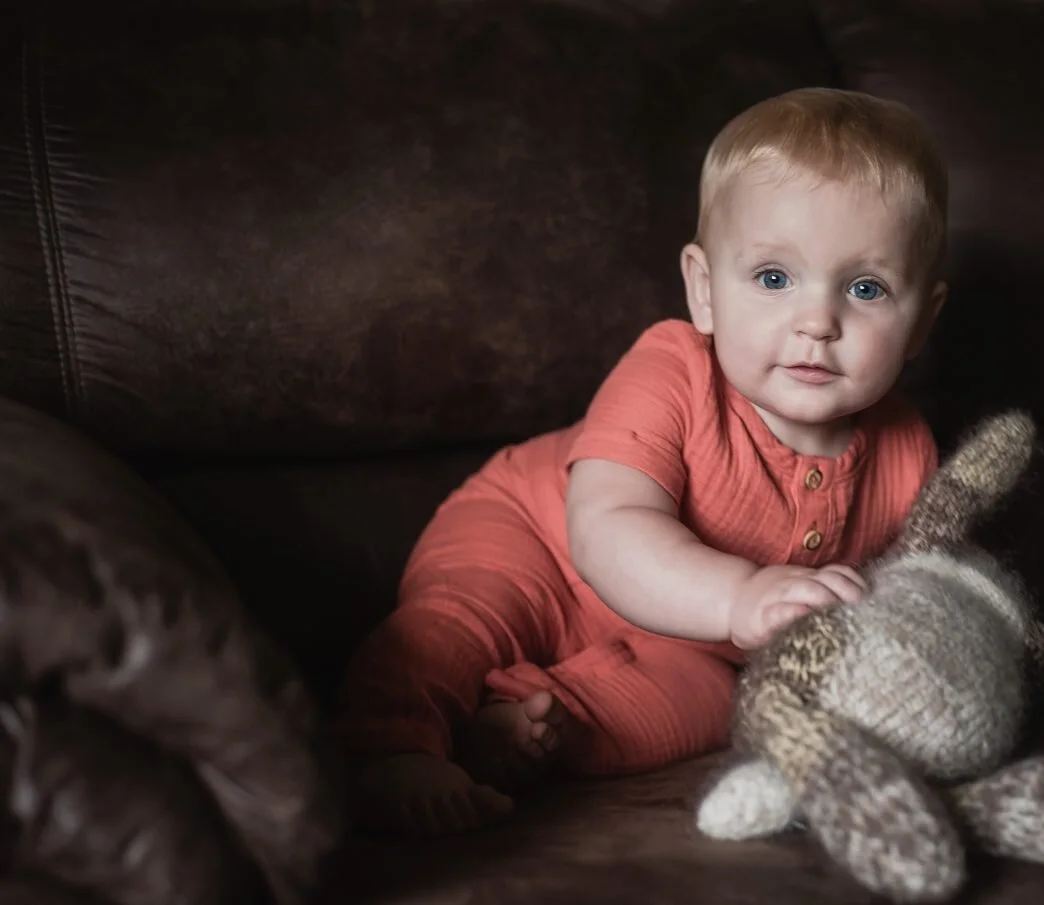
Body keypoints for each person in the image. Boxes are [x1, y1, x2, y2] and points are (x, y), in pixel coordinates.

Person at [334, 86, 952, 837]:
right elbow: (609, 527)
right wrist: (740, 597)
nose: (817, 321)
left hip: (691, 644)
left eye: (865, 288)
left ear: (921, 319)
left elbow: (928, 603)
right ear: (703, 290)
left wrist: (998, 697)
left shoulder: (908, 450)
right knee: (464, 616)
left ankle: (527, 723)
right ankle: (390, 746)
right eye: (773, 278)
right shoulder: (672, 371)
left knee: (705, 708)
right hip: (538, 534)